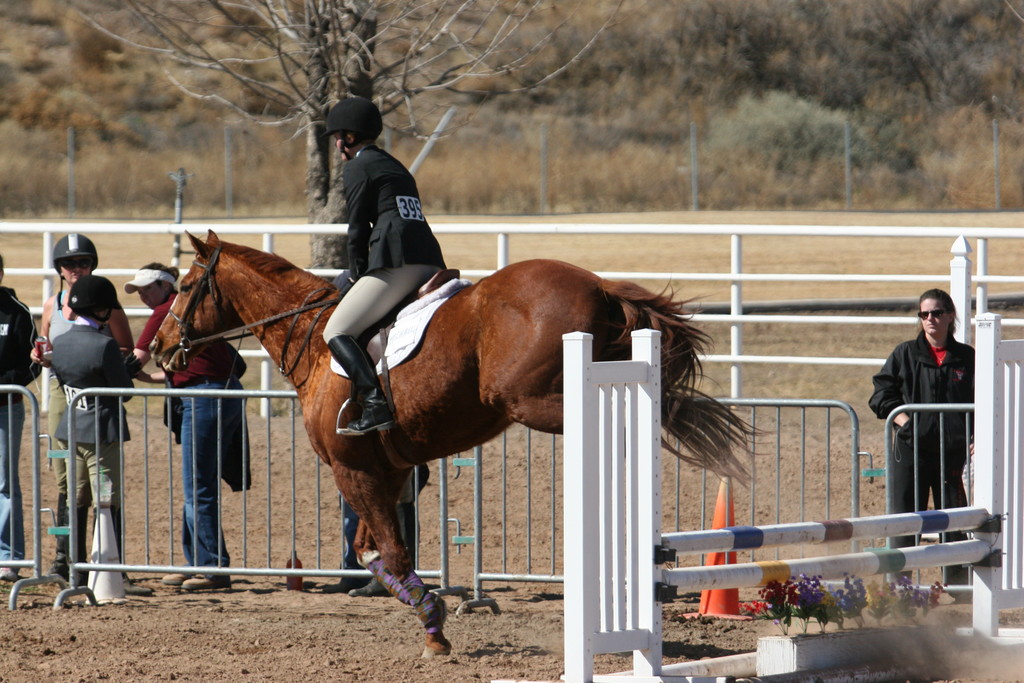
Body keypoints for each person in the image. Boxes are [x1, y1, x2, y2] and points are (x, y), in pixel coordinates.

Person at [321, 96, 447, 435]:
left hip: (395, 262)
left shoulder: (358, 166)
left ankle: (375, 404)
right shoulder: (394, 164)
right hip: (429, 261)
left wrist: (356, 272)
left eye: (338, 136)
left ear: (349, 137)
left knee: (335, 330)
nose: (336, 144)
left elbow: (358, 228)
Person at [29, 234, 143, 592]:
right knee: (64, 482)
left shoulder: (107, 308)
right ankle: (63, 556)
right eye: (69, 264)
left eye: (83, 263)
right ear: (59, 270)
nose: (76, 269)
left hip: (94, 395)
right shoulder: (52, 304)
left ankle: (109, 562)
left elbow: (124, 347)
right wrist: (40, 356)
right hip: (62, 396)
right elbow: (46, 343)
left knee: (98, 485)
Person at [124, 263, 248, 592]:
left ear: (167, 286)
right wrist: (146, 379)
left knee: (198, 486)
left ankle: (212, 567)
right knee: (198, 484)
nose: (144, 296)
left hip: (203, 397)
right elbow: (174, 367)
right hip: (220, 391)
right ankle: (198, 561)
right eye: (139, 292)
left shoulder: (168, 310)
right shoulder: (184, 311)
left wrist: (115, 371)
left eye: (148, 288)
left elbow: (136, 358)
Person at [869, 288, 974, 588]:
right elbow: (880, 395)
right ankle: (899, 588)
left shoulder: (967, 357)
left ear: (950, 316)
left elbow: (984, 399)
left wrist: (976, 434)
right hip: (910, 451)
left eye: (937, 313)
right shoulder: (905, 353)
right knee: (904, 521)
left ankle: (958, 587)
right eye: (924, 314)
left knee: (953, 522)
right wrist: (904, 423)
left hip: (952, 454)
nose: (930, 319)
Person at [48, 275, 134, 588]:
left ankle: (76, 568)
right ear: (97, 310)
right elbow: (124, 392)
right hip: (102, 429)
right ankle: (111, 572)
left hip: (70, 428)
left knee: (77, 496)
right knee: (107, 499)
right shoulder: (106, 344)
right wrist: (128, 372)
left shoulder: (62, 341)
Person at [0, 253, 41, 582]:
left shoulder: (17, 312)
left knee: (3, 480)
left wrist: (3, 384)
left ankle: (7, 557)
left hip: (6, 408)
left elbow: (32, 363)